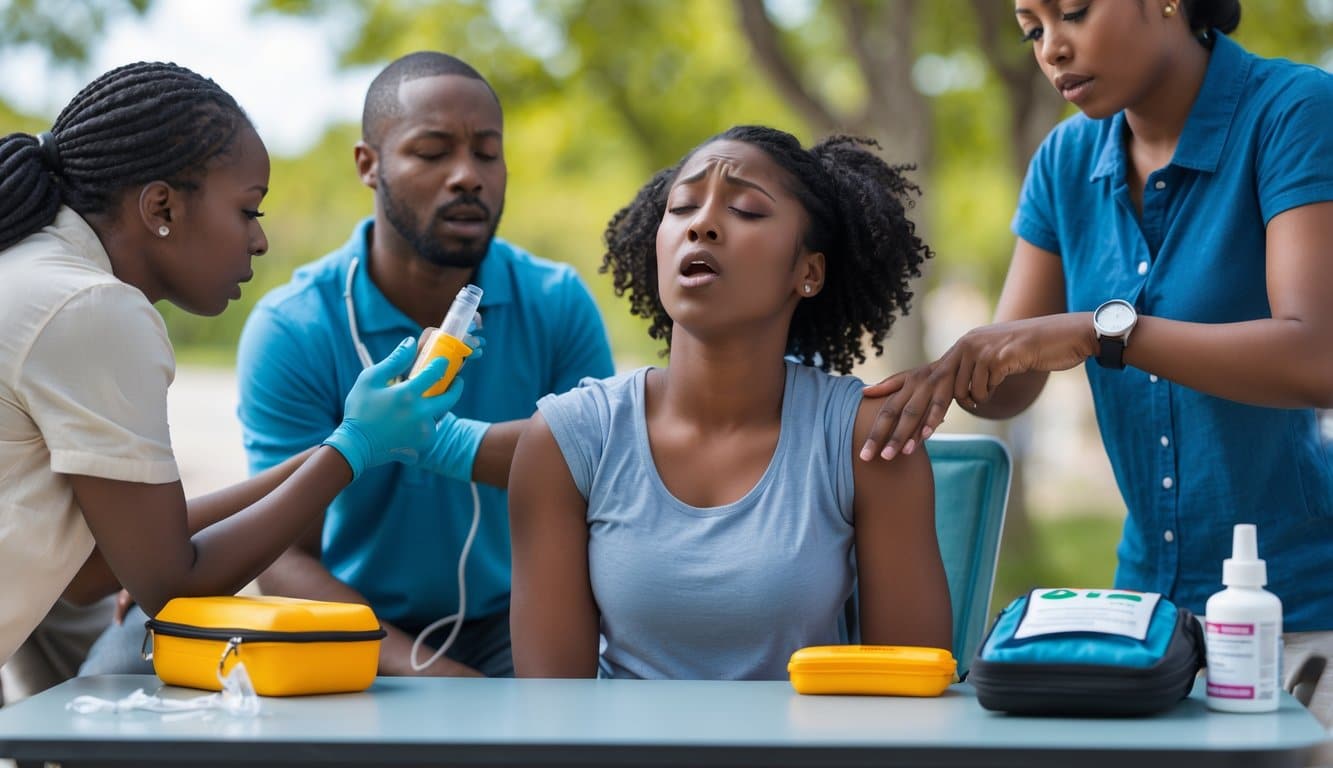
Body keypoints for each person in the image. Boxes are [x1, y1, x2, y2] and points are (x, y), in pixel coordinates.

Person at [860, 0, 1333, 729]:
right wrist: (956, 370)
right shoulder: (1065, 159)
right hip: (1149, 623)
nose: (1051, 48)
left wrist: (1101, 332)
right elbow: (1013, 386)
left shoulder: (1290, 110)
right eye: (1031, 29)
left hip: (1308, 619)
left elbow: (1316, 353)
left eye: (1073, 11)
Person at [77, 51, 615, 680]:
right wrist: (426, 671)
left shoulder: (556, 302)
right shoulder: (296, 326)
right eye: (433, 151)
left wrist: (432, 442)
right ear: (368, 164)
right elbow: (285, 560)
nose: (468, 175)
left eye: (488, 152)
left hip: (518, 620)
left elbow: (599, 475)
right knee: (119, 667)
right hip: (341, 622)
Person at [0, 62, 462, 674]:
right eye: (250, 212)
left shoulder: (37, 271)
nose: (260, 241)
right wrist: (351, 452)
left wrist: (350, 442)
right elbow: (171, 586)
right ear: (161, 205)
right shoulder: (93, 309)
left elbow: (88, 574)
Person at [508, 125, 952, 679]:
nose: (702, 224)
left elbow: (910, 694)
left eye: (745, 210)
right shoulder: (563, 439)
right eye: (683, 207)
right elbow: (553, 716)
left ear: (807, 272)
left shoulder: (869, 438)